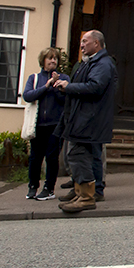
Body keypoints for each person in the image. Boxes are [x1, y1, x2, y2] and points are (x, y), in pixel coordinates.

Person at [52, 30, 119, 214]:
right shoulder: (90, 62)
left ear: (96, 43)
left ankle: (87, 196)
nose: (81, 45)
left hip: (89, 120)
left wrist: (68, 87)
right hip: (82, 117)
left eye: (85, 41)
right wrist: (64, 87)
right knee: (80, 155)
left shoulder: (102, 64)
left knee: (79, 155)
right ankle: (81, 192)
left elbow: (95, 87)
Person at [22, 47, 65, 200]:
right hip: (38, 125)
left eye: (55, 58)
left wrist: (57, 87)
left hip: (55, 125)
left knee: (52, 157)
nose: (53, 61)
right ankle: (33, 186)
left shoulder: (63, 78)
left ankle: (49, 188)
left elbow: (65, 100)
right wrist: (47, 86)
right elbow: (28, 96)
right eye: (50, 58)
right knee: (35, 157)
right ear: (43, 61)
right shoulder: (34, 78)